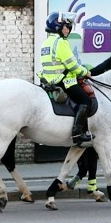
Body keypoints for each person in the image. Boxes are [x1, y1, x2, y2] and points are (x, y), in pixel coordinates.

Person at [38, 12, 93, 145]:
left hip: (50, 82)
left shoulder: (46, 43)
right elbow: (72, 65)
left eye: (68, 27)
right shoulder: (61, 42)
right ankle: (78, 134)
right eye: (65, 26)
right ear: (58, 27)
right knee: (86, 101)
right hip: (65, 82)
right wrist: (86, 72)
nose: (68, 29)